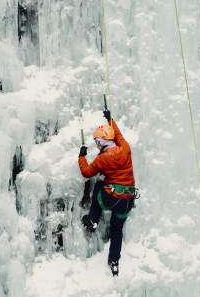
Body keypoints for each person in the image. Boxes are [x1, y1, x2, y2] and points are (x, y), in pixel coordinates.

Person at [78, 109, 136, 276]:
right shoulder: (125, 148)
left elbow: (87, 172)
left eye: (97, 142)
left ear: (103, 142)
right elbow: (118, 136)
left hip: (112, 198)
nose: (96, 144)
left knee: (98, 186)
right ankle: (114, 261)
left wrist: (81, 156)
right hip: (127, 202)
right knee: (116, 229)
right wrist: (111, 120)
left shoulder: (103, 159)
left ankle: (93, 219)